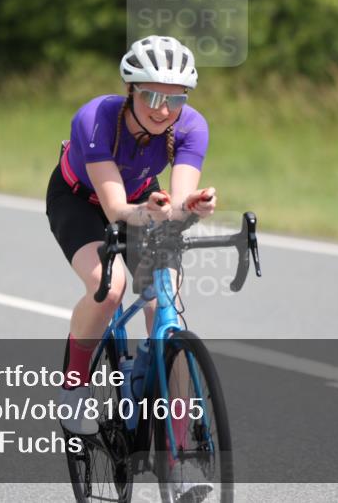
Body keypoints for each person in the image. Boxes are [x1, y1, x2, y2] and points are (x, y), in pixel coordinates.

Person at [46, 35, 216, 499]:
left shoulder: (191, 127)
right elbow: (117, 208)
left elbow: (177, 199)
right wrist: (152, 211)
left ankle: (178, 460)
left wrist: (190, 206)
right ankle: (74, 386)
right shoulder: (96, 119)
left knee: (169, 309)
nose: (164, 109)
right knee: (110, 284)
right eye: (152, 95)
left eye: (175, 98)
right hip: (83, 201)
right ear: (131, 90)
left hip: (145, 200)